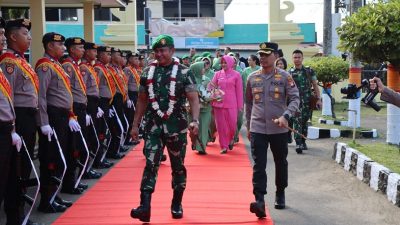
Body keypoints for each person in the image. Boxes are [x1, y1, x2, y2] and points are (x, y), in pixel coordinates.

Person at [130, 34, 199, 222]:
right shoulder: (147, 72)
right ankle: (145, 206)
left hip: (176, 127)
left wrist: (195, 121)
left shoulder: (184, 72)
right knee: (150, 163)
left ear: (172, 51)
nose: (159, 54)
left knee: (178, 167)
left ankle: (177, 203)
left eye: (163, 50)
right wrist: (135, 124)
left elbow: (193, 98)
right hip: (153, 127)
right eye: (156, 51)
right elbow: (142, 100)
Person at [245, 42, 300, 216]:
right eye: (260, 54)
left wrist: (286, 116)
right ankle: (259, 199)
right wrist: (248, 124)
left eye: (266, 54)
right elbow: (248, 102)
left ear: (275, 56)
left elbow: (295, 99)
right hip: (258, 127)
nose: (262, 58)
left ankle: (280, 192)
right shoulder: (252, 77)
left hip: (279, 129)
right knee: (259, 165)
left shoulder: (285, 77)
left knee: (280, 162)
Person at [36, 32, 82, 212]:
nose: (64, 48)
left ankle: (55, 195)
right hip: (53, 117)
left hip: (62, 116)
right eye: (60, 45)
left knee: (60, 156)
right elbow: (41, 96)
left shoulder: (56, 65)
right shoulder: (45, 66)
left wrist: (70, 115)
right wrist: (44, 121)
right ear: (49, 46)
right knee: (51, 159)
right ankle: (46, 201)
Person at [0, 17, 24, 225]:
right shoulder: (7, 62)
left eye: (1, 33)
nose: (2, 38)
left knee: (11, 179)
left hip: (8, 128)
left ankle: (15, 218)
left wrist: (12, 128)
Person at [79, 42, 105, 176]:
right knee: (90, 136)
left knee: (95, 134)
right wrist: (88, 111)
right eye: (93, 51)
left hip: (94, 103)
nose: (95, 54)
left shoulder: (90, 67)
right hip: (87, 104)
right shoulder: (83, 67)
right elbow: (82, 89)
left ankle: (92, 164)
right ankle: (87, 168)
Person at [288, 49, 321, 154]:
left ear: (302, 58)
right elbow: (287, 88)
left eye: (299, 57)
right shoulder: (289, 73)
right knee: (297, 121)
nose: (297, 59)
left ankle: (303, 140)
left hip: (307, 100)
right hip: (295, 102)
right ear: (292, 59)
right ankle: (298, 143)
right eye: (295, 57)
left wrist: (318, 99)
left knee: (305, 121)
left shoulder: (309, 71)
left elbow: (315, 85)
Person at [211, 55, 243, 154]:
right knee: (221, 126)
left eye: (225, 62)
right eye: (222, 63)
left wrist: (240, 106)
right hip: (218, 104)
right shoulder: (217, 74)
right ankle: (223, 146)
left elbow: (239, 91)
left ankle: (230, 139)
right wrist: (213, 93)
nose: (223, 64)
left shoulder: (236, 75)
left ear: (230, 63)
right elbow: (211, 87)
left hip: (232, 104)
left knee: (232, 125)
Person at [190, 61, 212, 154]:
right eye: (202, 68)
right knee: (193, 129)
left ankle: (201, 148)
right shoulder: (191, 80)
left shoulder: (206, 79)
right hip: (193, 109)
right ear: (197, 69)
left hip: (205, 108)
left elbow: (210, 90)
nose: (204, 69)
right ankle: (195, 143)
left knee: (203, 128)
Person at [123, 51, 141, 145]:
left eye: (138, 59)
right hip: (131, 95)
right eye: (135, 59)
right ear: (129, 59)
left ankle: (131, 138)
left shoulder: (134, 69)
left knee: (134, 117)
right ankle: (127, 139)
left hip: (136, 95)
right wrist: (128, 98)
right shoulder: (127, 69)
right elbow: (125, 84)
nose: (137, 61)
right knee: (131, 118)